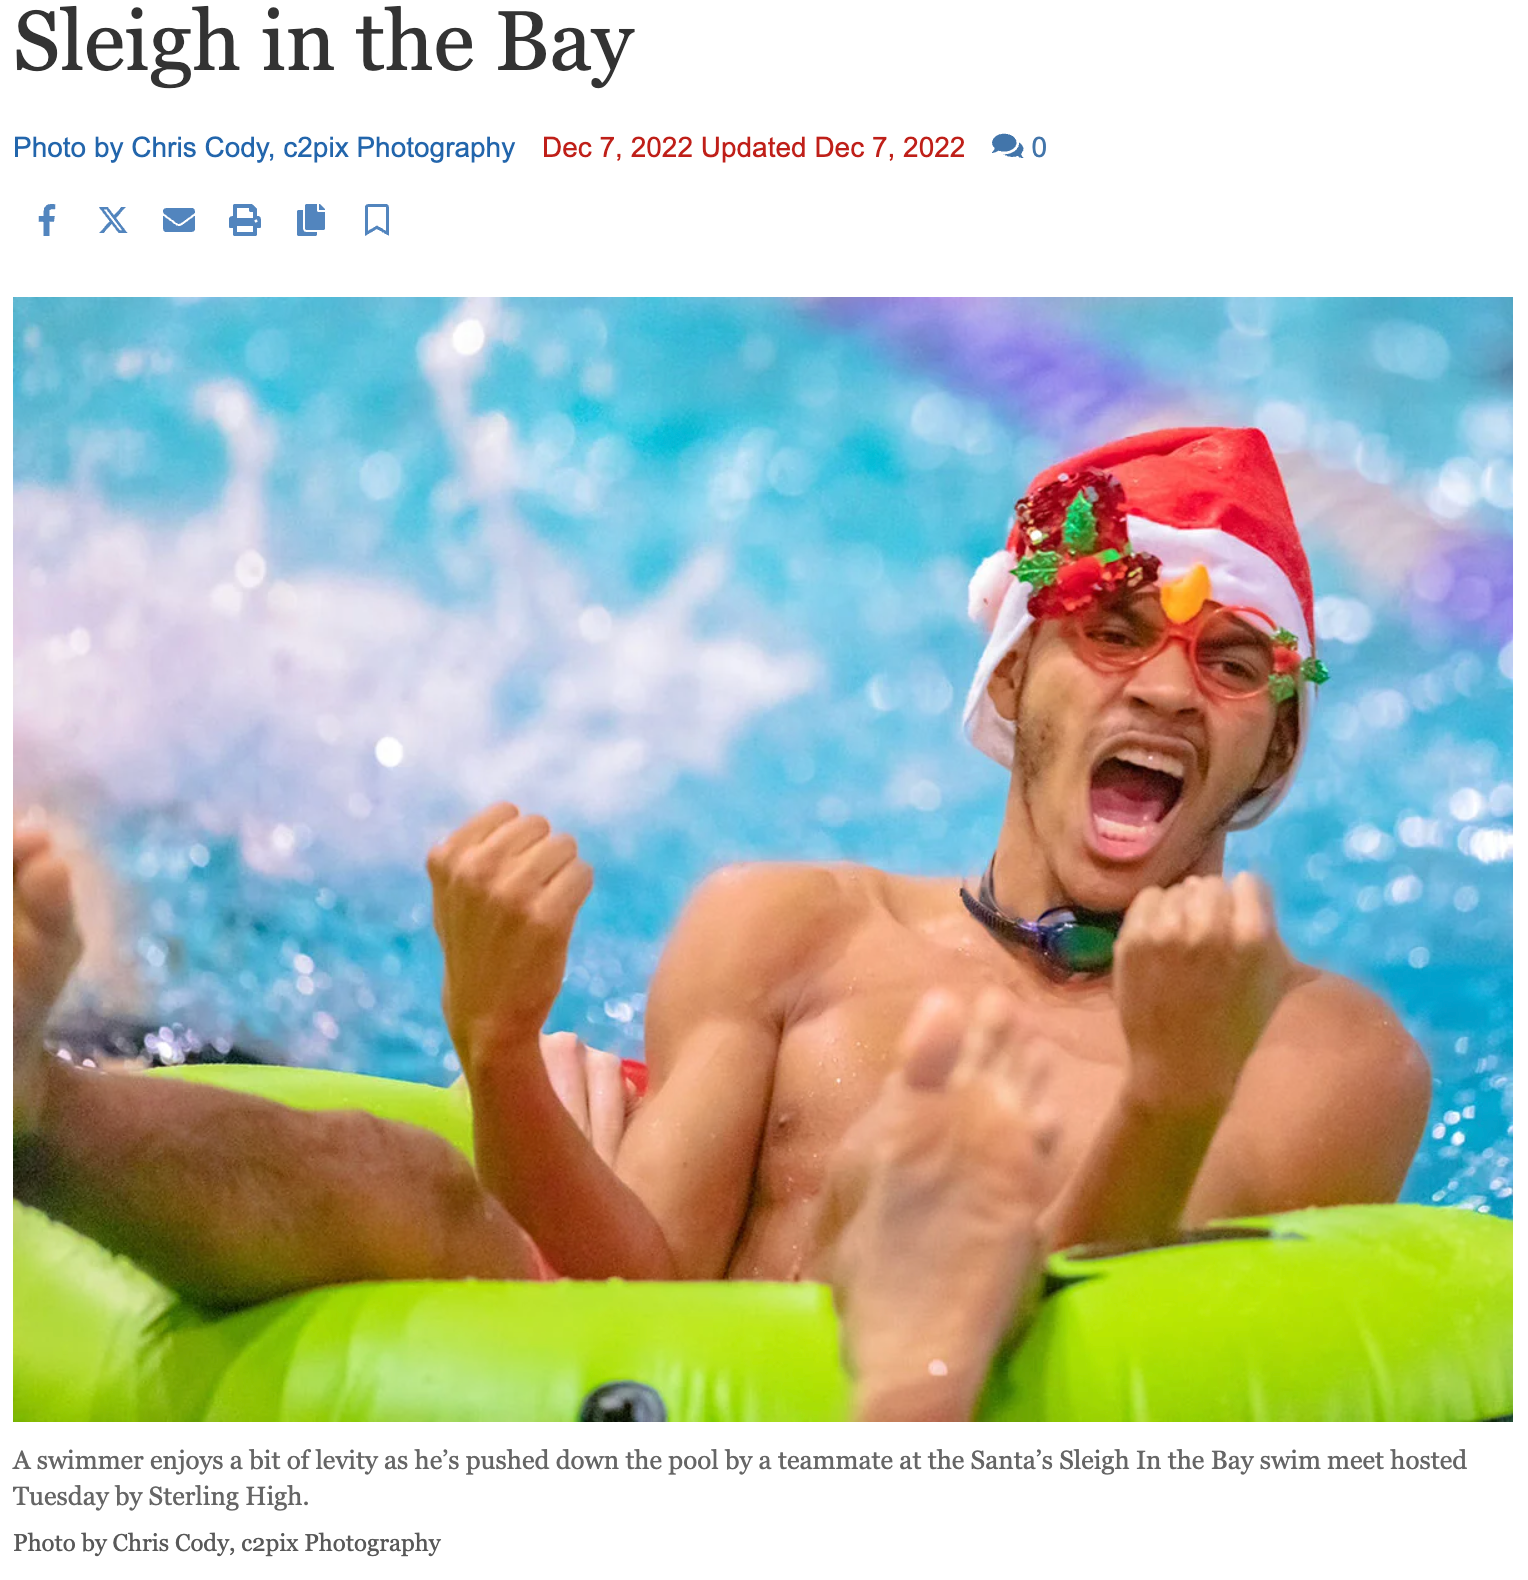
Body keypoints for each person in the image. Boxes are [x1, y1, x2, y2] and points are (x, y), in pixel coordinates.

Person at [14, 427, 1430, 1421]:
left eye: (1233, 664)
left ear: (1276, 759)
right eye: (1116, 630)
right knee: (414, 1184)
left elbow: (1124, 1381)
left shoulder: (1322, 1052)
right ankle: (37, 1107)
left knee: (913, 1175)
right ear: (1012, 690)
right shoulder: (792, 929)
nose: (1172, 691)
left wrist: (1172, 1099)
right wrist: (499, 1050)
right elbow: (626, 1285)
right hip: (697, 1413)